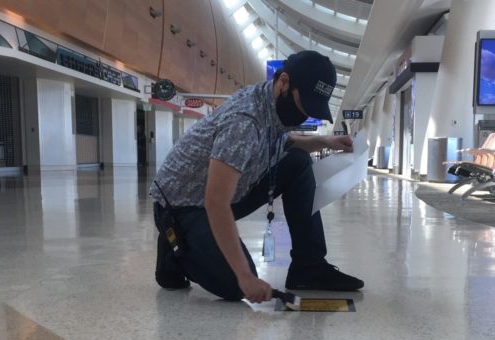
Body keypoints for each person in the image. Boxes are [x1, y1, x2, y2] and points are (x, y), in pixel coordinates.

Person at [150, 50, 364, 303]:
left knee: (298, 163)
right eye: (303, 104)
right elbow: (215, 202)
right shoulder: (245, 122)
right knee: (236, 285)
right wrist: (245, 276)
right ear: (283, 82)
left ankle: (309, 267)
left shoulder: (268, 104)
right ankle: (174, 248)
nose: (304, 115)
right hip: (183, 205)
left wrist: (327, 141)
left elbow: (287, 142)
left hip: (227, 192)